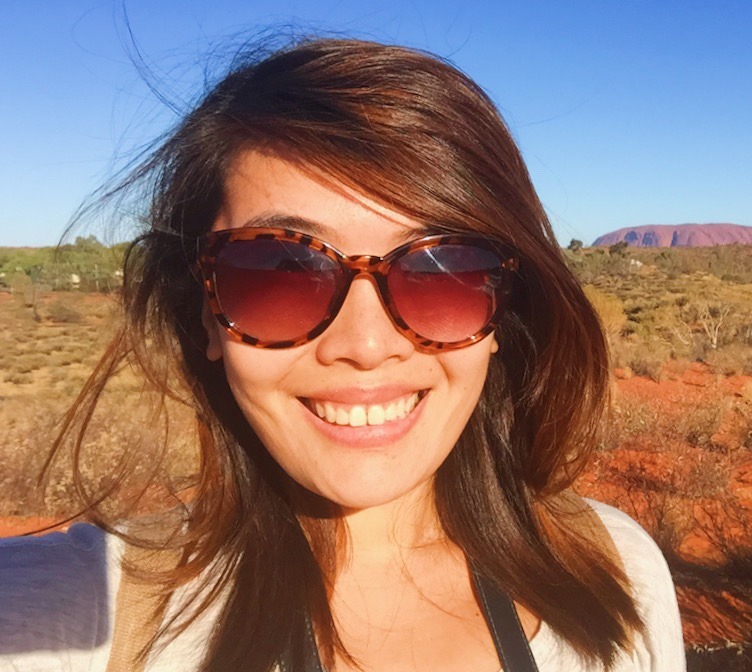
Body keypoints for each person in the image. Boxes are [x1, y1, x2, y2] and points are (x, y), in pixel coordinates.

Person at [1, 37, 684, 672]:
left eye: (441, 270)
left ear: (500, 311)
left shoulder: (615, 569)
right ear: (205, 312)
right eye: (277, 271)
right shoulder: (84, 611)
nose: (365, 345)